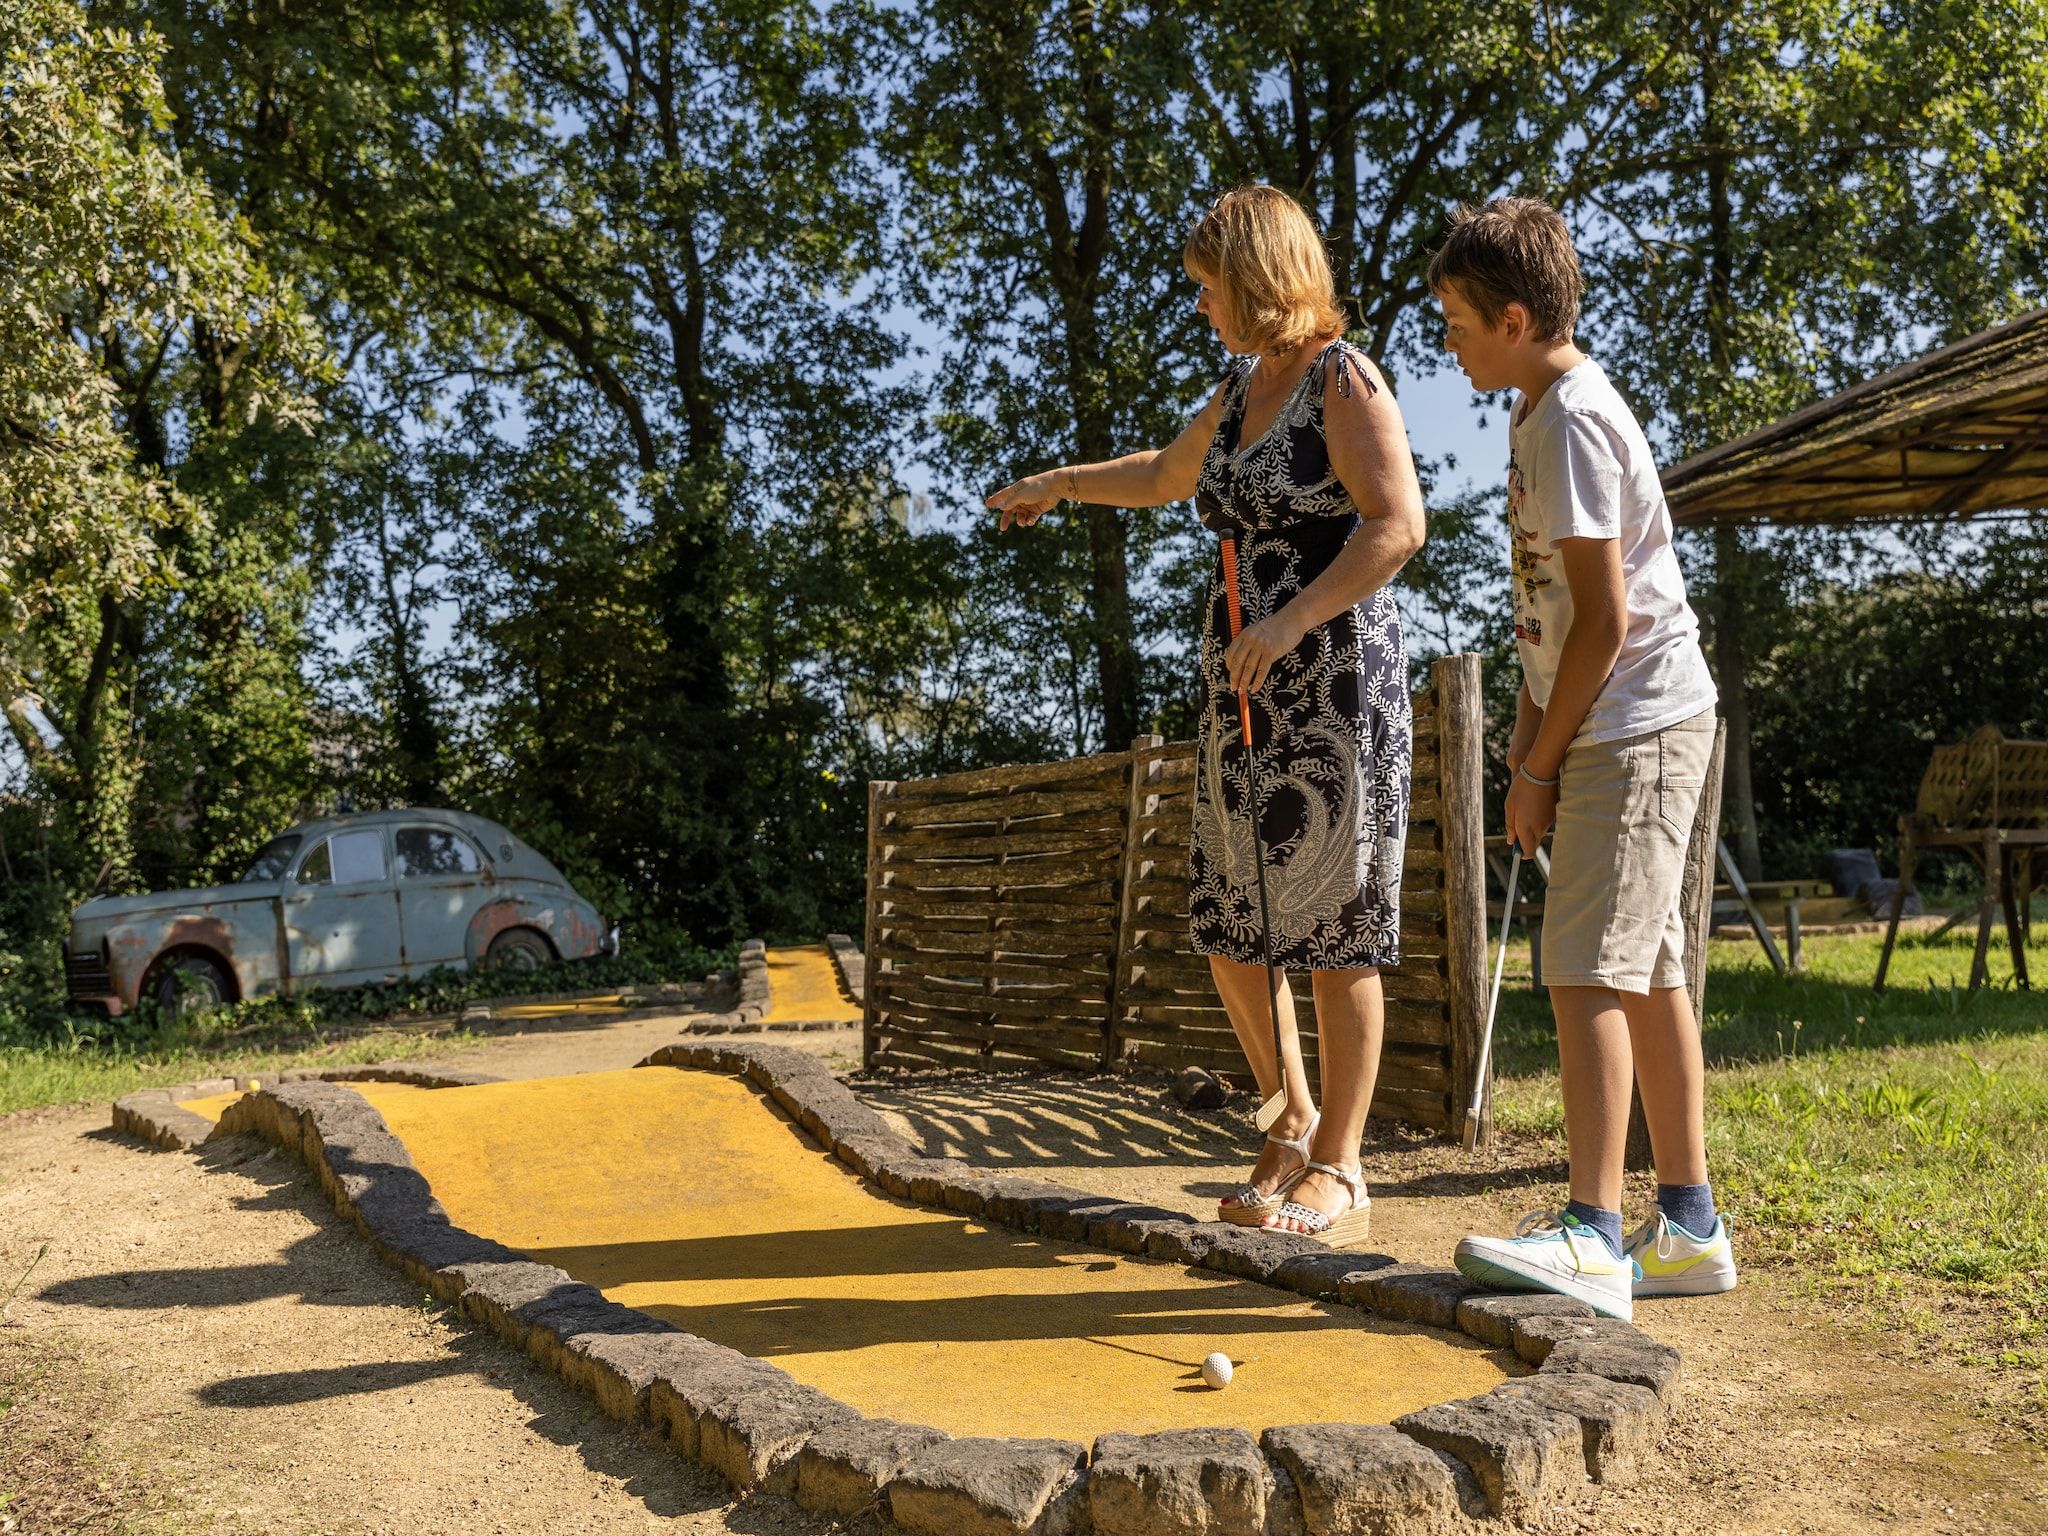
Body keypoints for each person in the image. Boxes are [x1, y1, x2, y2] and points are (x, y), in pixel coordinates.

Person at [987, 185, 1425, 1246]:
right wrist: (1057, 482)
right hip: (1239, 696)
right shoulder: (1238, 391)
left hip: (1328, 684)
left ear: (1259, 278)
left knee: (1332, 935)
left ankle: (1339, 1166)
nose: (1199, 307)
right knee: (1233, 926)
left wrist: (1291, 622)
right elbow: (1165, 473)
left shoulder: (1341, 377)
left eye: (1208, 287)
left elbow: (1397, 524)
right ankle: (1287, 1120)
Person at [1429, 197, 1737, 1320]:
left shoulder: (1566, 418)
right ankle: (1688, 1228)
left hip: (1633, 723)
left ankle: (1595, 1234)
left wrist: (1538, 769)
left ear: (1514, 317)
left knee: (1582, 972)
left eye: (1456, 321)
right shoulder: (1535, 410)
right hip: (1612, 722)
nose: (1446, 340)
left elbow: (1605, 623)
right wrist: (1524, 745)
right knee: (1646, 972)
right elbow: (1549, 617)